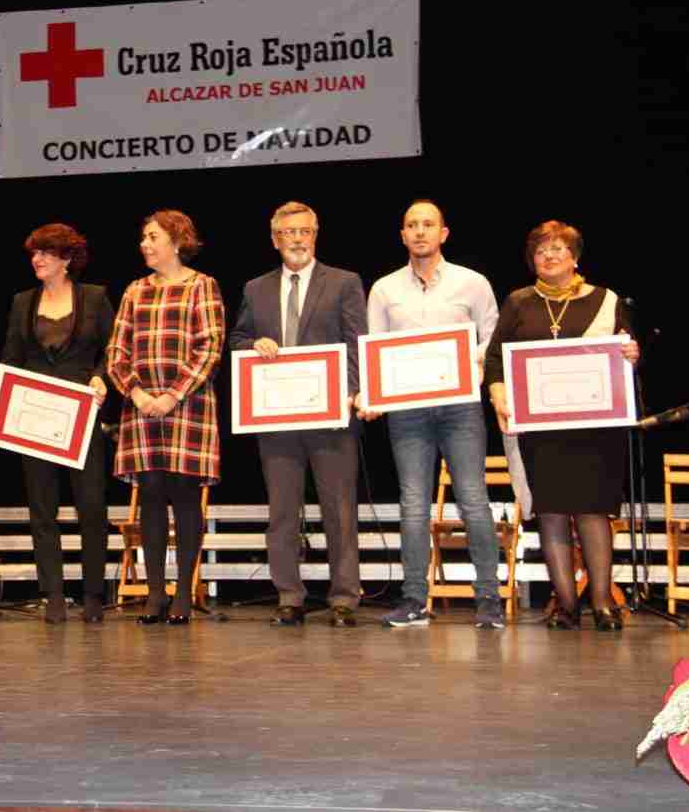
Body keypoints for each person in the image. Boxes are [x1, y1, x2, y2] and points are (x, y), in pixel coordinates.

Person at [486, 220, 639, 631]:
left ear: (574, 257)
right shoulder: (519, 302)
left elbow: (627, 351)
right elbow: (496, 356)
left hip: (594, 427)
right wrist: (498, 392)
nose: (548, 256)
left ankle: (603, 603)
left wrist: (632, 353)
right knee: (551, 513)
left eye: (557, 249)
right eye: (540, 251)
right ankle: (567, 606)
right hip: (541, 430)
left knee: (593, 512)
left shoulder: (605, 300)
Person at [361, 199, 505, 629]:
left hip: (460, 406)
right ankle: (413, 600)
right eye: (411, 225)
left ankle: (488, 600)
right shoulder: (385, 289)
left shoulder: (473, 283)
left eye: (428, 224)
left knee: (473, 502)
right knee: (413, 506)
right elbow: (374, 348)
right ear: (402, 235)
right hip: (407, 412)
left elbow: (492, 337)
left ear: (443, 233)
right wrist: (373, 395)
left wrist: (466, 365)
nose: (420, 231)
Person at [228, 201, 367, 627]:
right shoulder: (255, 288)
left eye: (304, 231)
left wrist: (349, 393)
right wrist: (253, 346)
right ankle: (289, 596)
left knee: (339, 510)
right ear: (274, 239)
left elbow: (356, 343)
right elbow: (236, 339)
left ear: (316, 235)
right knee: (283, 510)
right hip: (277, 420)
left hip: (331, 417)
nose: (297, 240)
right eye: (288, 233)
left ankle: (344, 598)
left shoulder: (344, 282)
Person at [0, 224, 114, 623]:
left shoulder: (94, 297)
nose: (37, 260)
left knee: (91, 506)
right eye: (34, 253)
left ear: (67, 259)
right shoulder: (23, 302)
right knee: (42, 510)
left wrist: (101, 377)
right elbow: (10, 358)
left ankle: (92, 595)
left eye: (46, 253)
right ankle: (53, 595)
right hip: (32, 416)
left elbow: (113, 350)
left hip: (82, 415)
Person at [106, 209, 224, 625]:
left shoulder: (202, 286)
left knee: (185, 496)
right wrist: (137, 392)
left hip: (187, 407)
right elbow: (116, 352)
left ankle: (183, 595)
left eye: (152, 236)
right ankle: (156, 593)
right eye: (143, 237)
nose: (144, 244)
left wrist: (172, 395)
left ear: (176, 241)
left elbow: (209, 348)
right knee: (152, 495)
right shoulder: (135, 290)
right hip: (141, 407)